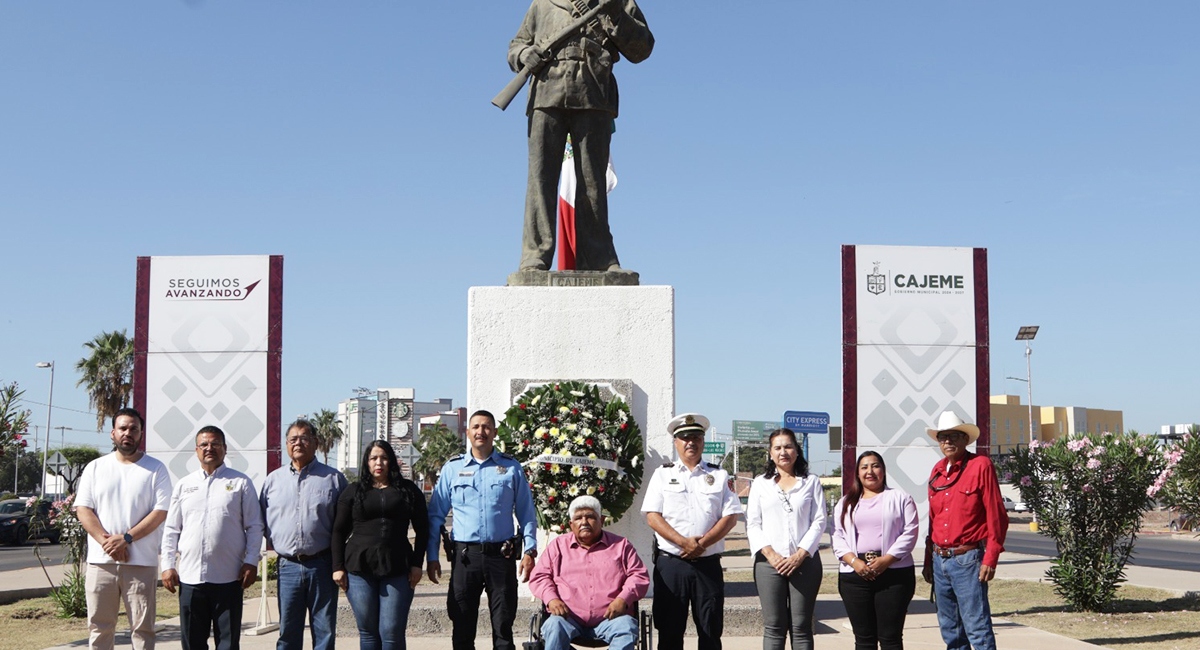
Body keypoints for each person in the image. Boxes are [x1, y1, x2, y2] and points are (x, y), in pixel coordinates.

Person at [508, 0, 654, 272]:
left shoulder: (617, 1)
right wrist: (522, 54)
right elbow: (516, 44)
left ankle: (600, 258)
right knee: (540, 179)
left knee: (592, 183)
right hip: (547, 93)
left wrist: (613, 11)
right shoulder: (542, 3)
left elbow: (642, 48)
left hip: (593, 93)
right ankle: (534, 257)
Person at [426, 409, 538, 650]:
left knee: (503, 629)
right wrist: (432, 556)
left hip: (502, 556)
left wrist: (530, 550)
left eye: (486, 427)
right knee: (463, 629)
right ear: (468, 432)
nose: (481, 432)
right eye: (476, 427)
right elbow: (435, 516)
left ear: (495, 433)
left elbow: (527, 513)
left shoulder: (511, 468)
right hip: (465, 559)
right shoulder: (452, 469)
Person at [641, 413, 743, 650]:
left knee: (710, 631)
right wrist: (683, 543)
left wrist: (702, 544)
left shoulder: (719, 475)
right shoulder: (663, 474)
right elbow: (653, 517)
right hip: (671, 566)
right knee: (669, 632)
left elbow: (730, 517)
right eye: (684, 438)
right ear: (676, 442)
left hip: (707, 565)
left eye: (696, 437)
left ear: (703, 441)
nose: (691, 442)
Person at [74, 407, 172, 650]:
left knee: (142, 629)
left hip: (141, 562)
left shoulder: (156, 469)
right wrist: (107, 542)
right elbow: (83, 509)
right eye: (123, 428)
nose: (128, 433)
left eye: (134, 429)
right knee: (99, 626)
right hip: (101, 562)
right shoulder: (95, 467)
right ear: (113, 433)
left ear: (141, 434)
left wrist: (126, 538)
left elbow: (160, 512)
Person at [161, 425, 264, 650]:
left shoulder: (240, 483)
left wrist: (251, 561)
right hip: (190, 579)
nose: (210, 448)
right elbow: (171, 529)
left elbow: (255, 526)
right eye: (204, 445)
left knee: (227, 644)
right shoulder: (184, 485)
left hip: (228, 578)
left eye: (215, 444)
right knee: (192, 644)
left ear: (224, 449)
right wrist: (167, 565)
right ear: (196, 450)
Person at [923, 411, 1009, 650]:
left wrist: (990, 558)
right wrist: (928, 559)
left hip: (968, 560)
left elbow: (997, 515)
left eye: (953, 436)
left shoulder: (980, 465)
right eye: (942, 437)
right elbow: (934, 520)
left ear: (965, 439)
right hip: (940, 560)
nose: (947, 441)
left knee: (977, 628)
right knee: (951, 631)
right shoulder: (937, 471)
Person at [260, 419, 348, 650]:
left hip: (322, 564)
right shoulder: (272, 481)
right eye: (293, 439)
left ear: (316, 443)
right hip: (287, 566)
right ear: (286, 445)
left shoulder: (334, 479)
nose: (298, 443)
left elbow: (347, 524)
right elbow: (261, 520)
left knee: (324, 632)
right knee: (288, 632)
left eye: (304, 438)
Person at [332, 440, 430, 650]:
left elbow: (423, 530)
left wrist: (416, 564)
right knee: (367, 632)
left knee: (391, 631)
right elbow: (338, 531)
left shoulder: (408, 490)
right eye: (374, 458)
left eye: (384, 458)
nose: (379, 462)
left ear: (391, 461)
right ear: (366, 463)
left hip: (398, 568)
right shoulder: (353, 491)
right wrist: (337, 567)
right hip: (359, 570)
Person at [529, 495, 650, 650]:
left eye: (591, 517)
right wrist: (551, 599)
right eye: (579, 518)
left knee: (626, 628)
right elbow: (540, 577)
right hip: (567, 619)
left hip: (612, 619)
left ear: (601, 520)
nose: (584, 522)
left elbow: (639, 575)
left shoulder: (621, 545)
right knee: (554, 626)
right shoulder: (558, 546)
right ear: (571, 524)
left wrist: (623, 599)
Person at [745, 428, 827, 650]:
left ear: (797, 451)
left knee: (801, 627)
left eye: (788, 446)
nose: (783, 452)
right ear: (770, 453)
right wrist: (771, 555)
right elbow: (752, 524)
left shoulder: (811, 482)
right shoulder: (761, 484)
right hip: (769, 565)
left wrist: (800, 554)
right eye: (777, 448)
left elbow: (819, 521)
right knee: (774, 627)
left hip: (804, 564)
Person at [831, 451, 919, 650]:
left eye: (875, 466)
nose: (870, 471)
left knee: (890, 638)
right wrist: (854, 561)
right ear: (857, 473)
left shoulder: (901, 498)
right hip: (855, 576)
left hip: (894, 574)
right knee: (864, 639)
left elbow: (910, 532)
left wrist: (886, 560)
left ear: (883, 470)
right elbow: (837, 535)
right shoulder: (845, 503)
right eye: (864, 467)